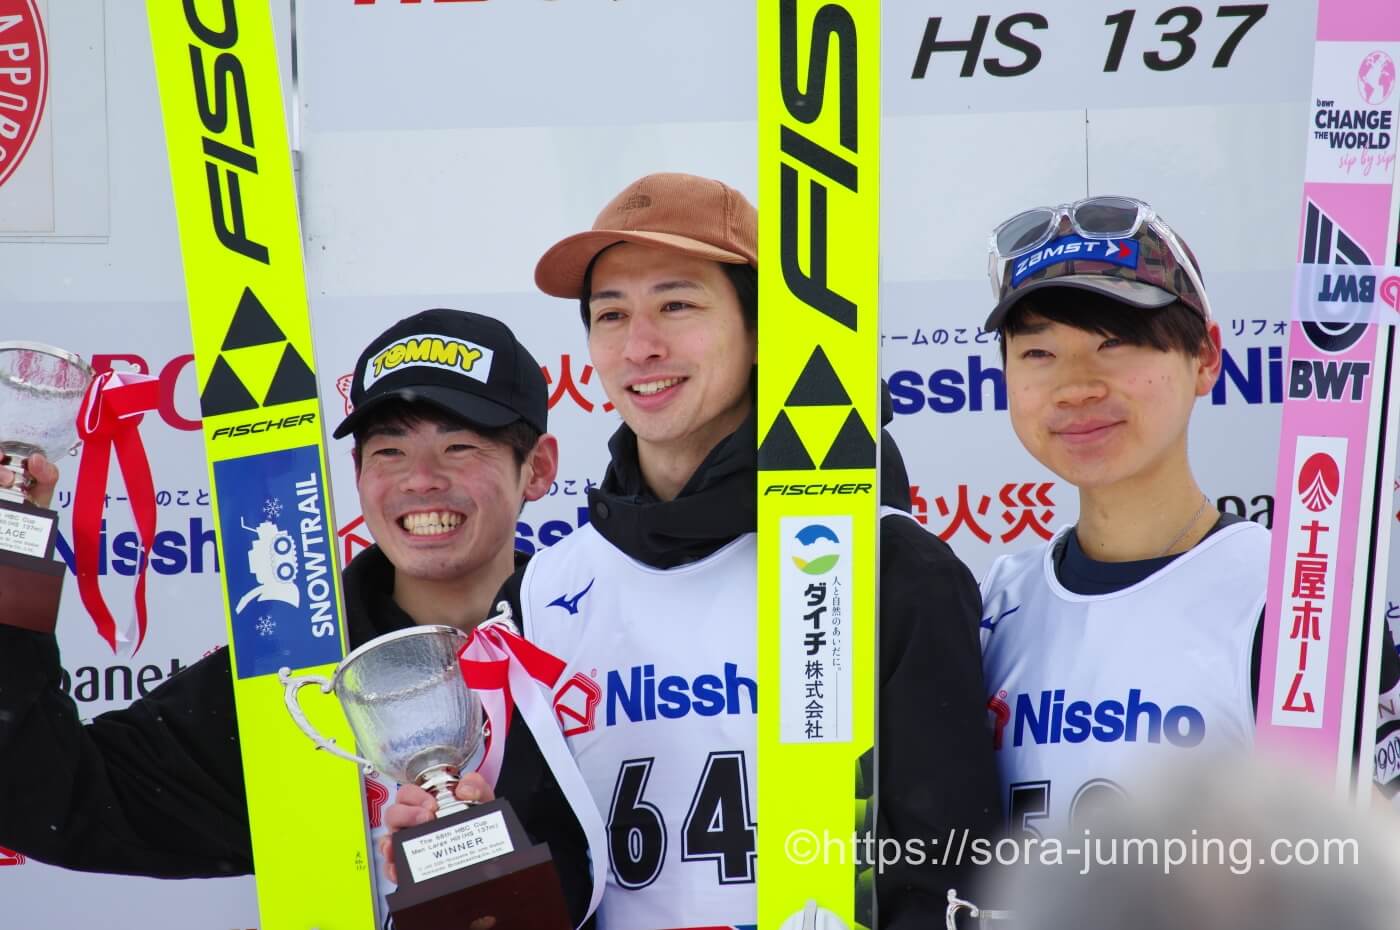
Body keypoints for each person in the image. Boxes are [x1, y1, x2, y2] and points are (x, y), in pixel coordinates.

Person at [386, 172, 1002, 930]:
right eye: (612, 315)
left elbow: (949, 877)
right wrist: (473, 855)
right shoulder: (542, 594)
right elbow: (558, 882)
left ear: (762, 330)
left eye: (677, 305)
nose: (640, 347)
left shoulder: (884, 565)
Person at [0, 309, 597, 917]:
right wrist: (9, 547)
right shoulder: (294, 675)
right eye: (390, 450)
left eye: (459, 446)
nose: (420, 480)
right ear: (358, 473)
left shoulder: (603, 645)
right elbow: (51, 795)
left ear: (539, 467)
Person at [975, 197, 1400, 843]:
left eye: (1115, 343)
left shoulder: (1293, 602)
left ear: (1205, 357)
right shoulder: (992, 606)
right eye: (1038, 353)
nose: (1077, 386)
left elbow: (1371, 866)